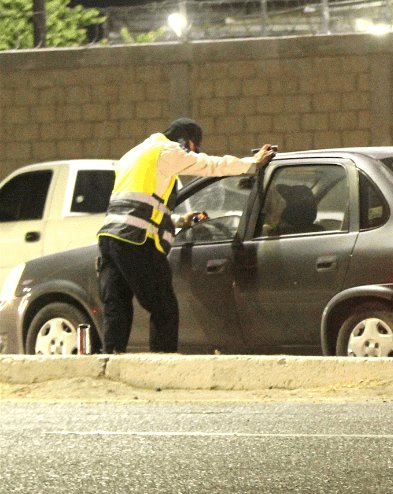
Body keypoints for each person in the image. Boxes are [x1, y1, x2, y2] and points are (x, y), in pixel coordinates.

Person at [97, 118, 275, 353]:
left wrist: (180, 221)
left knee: (117, 307)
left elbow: (138, 206)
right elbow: (209, 165)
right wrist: (251, 163)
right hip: (137, 241)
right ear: (184, 141)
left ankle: (110, 361)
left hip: (110, 239)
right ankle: (163, 364)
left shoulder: (134, 154)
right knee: (164, 309)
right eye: (193, 148)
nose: (192, 153)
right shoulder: (167, 150)